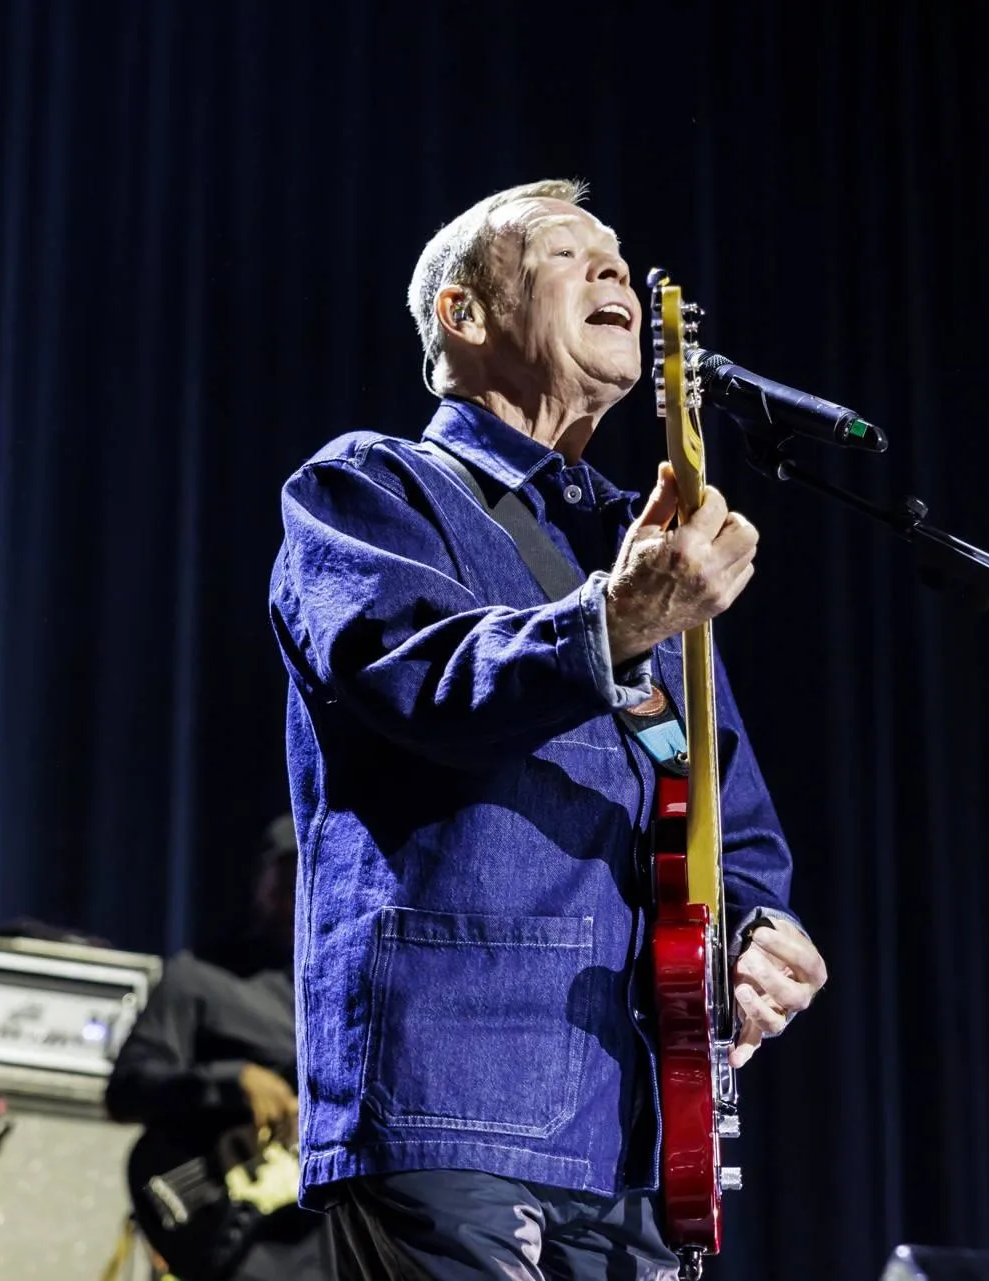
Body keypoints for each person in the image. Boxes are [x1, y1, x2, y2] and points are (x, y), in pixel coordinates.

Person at [267, 178, 827, 1279]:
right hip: (450, 1090)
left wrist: (759, 934)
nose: (615, 269)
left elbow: (726, 810)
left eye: (620, 255)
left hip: (642, 1124)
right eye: (570, 253)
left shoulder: (633, 537)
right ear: (463, 316)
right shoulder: (372, 487)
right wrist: (609, 623)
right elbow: (417, 680)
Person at [106, 815, 334, 1281]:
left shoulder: (365, 991)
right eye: (292, 875)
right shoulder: (201, 978)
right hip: (238, 1234)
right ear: (265, 886)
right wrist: (235, 1081)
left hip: (331, 1237)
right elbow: (127, 1089)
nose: (308, 889)